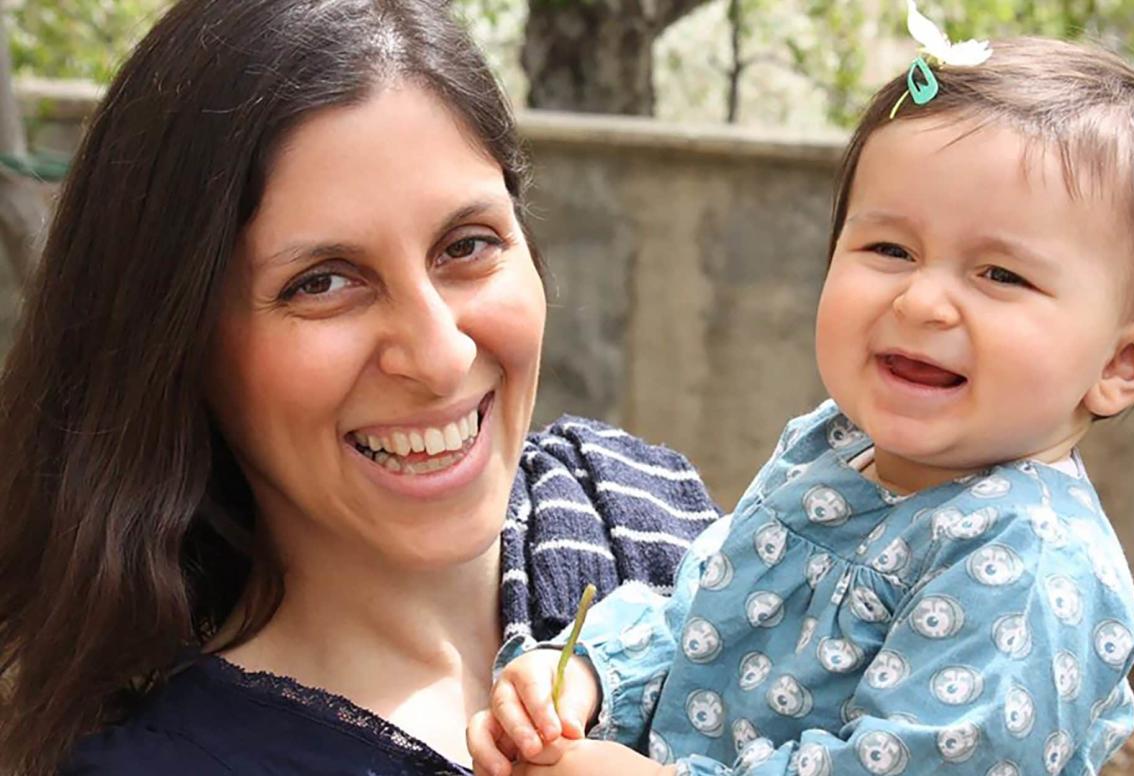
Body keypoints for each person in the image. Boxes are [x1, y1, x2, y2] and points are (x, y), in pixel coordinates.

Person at [0, 1, 722, 774]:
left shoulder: (641, 511)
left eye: (467, 245)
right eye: (324, 282)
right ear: (178, 339)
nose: (441, 356)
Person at [466, 26, 1134, 776]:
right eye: (891, 250)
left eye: (1000, 275)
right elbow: (699, 621)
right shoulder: (828, 448)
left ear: (1122, 361)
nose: (922, 302)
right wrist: (591, 676)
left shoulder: (1030, 569)